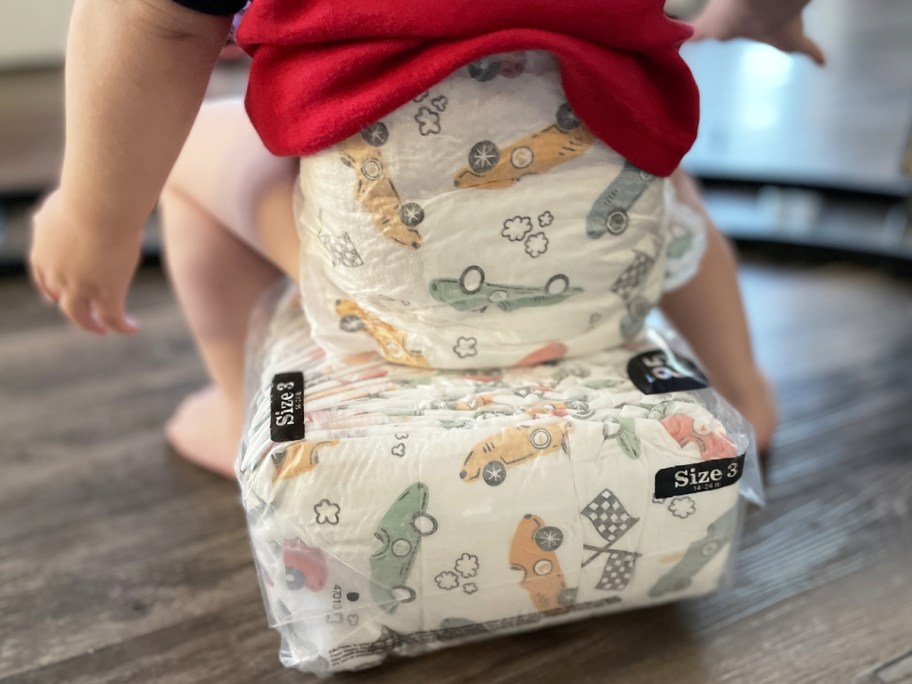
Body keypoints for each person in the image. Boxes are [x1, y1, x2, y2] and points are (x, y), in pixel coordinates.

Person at [30, 0, 823, 477]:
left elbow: (155, 23)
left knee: (195, 158)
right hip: (610, 253)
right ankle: (742, 394)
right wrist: (764, 16)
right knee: (660, 173)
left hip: (381, 262)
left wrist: (96, 218)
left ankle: (246, 417)